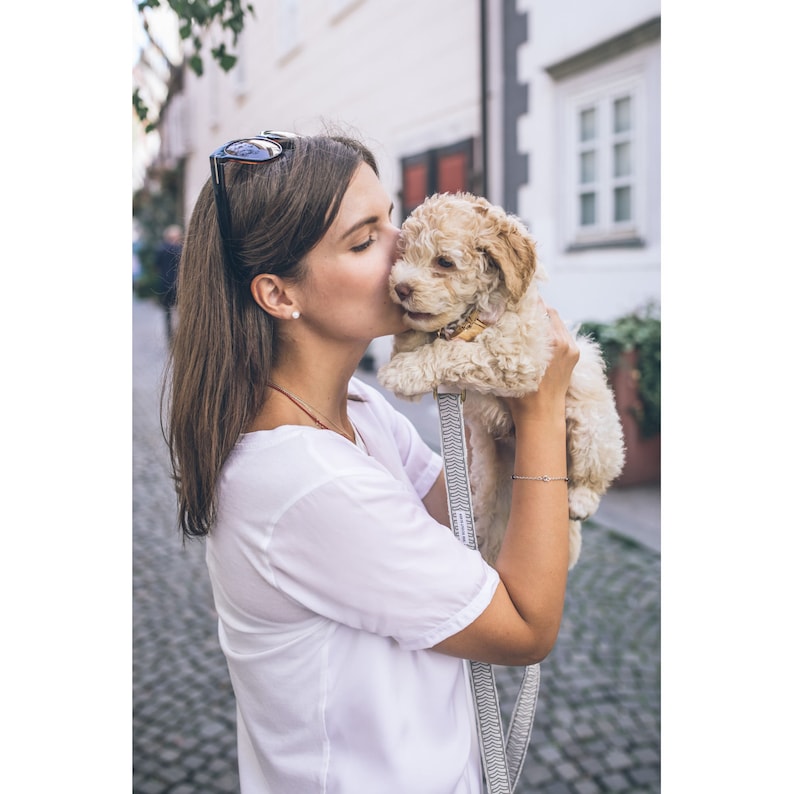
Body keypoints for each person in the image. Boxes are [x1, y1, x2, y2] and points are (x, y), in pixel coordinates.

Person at [165, 130, 579, 793]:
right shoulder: (305, 482)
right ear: (278, 295)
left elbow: (453, 525)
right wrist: (538, 412)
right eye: (364, 240)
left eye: (392, 218)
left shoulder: (356, 407)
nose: (402, 248)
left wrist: (494, 376)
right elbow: (526, 628)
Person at [155, 224, 182, 341]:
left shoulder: (161, 249)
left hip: (164, 284)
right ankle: (180, 334)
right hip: (178, 285)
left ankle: (170, 335)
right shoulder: (180, 250)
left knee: (167, 312)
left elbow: (156, 265)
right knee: (180, 310)